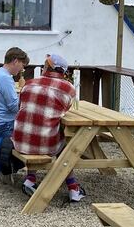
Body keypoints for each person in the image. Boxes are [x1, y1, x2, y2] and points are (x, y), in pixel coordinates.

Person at [12, 53, 85, 202]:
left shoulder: (29, 83)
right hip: (46, 146)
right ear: (63, 72)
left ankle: (30, 179)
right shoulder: (68, 88)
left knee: (34, 128)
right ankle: (73, 188)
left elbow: (20, 106)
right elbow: (65, 110)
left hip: (19, 141)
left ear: (47, 67)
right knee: (66, 146)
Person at [0, 47, 28, 181]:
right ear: (15, 61)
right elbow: (14, 107)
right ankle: (28, 173)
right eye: (21, 65)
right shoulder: (5, 78)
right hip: (4, 125)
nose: (21, 70)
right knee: (34, 135)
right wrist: (25, 99)